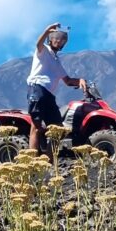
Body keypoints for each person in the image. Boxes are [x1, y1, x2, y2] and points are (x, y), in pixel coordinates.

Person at [26, 23, 89, 154]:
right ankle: (31, 160)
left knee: (58, 129)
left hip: (49, 94)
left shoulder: (56, 60)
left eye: (62, 40)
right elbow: (38, 43)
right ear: (51, 39)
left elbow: (67, 80)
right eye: (57, 38)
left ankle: (49, 160)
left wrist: (80, 81)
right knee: (36, 127)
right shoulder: (43, 51)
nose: (59, 42)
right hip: (37, 89)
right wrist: (46, 30)